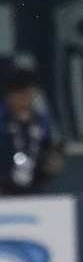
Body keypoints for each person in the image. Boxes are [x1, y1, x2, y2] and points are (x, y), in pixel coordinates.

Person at [1, 63, 65, 195]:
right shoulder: (2, 119)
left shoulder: (42, 121)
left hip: (35, 189)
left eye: (29, 93)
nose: (25, 98)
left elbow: (53, 148)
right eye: (21, 93)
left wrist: (53, 161)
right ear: (10, 95)